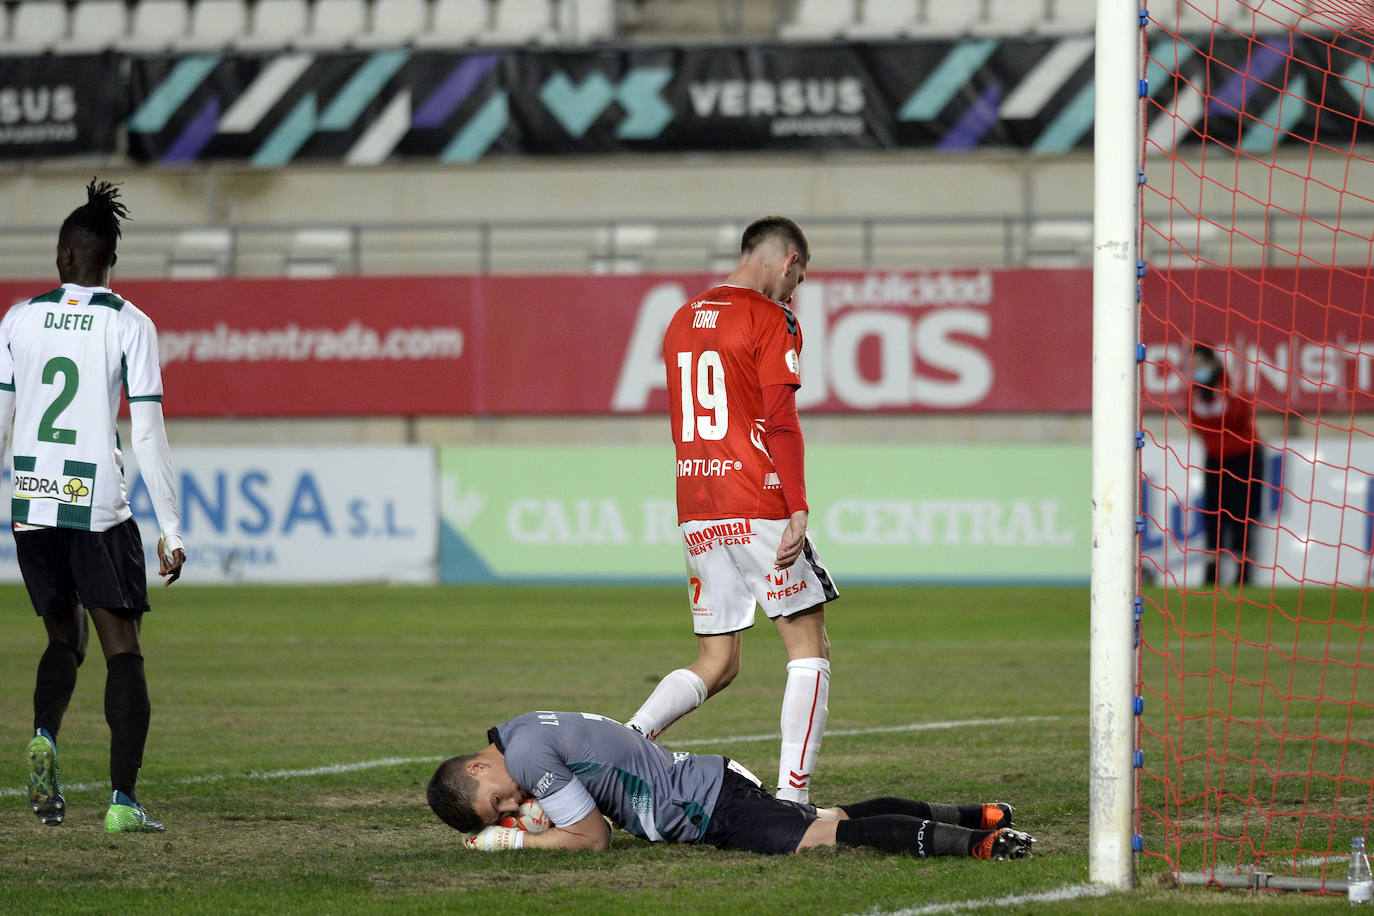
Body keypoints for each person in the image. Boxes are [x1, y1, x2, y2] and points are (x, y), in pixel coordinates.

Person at [627, 216, 837, 805]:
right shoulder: (772, 318)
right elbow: (780, 420)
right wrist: (797, 506)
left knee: (717, 659)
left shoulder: (680, 319)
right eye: (798, 280)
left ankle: (622, 743)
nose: (794, 294)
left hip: (698, 503)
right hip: (757, 498)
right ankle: (792, 799)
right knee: (808, 647)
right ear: (788, 259)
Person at [1, 179, 186, 833]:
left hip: (33, 504)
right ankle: (122, 803)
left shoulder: (18, 318)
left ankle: (46, 735)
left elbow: (1, 419)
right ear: (108, 260)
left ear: (65, 256)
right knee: (122, 648)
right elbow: (147, 433)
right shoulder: (129, 323)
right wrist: (170, 527)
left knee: (63, 637)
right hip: (95, 504)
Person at [427, 710, 1035, 860]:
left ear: (479, 767)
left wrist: (513, 842)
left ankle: (976, 844)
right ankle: (976, 813)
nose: (514, 805)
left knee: (818, 838)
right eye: (502, 814)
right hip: (709, 780)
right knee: (831, 817)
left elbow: (591, 840)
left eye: (498, 802)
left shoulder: (528, 757)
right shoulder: (520, 731)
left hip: (703, 803)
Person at [1188, 343, 1264, 587]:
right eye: (1193, 366)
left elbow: (1239, 416)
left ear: (1213, 364)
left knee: (1242, 515)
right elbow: (1198, 424)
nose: (1196, 370)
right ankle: (1212, 573)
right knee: (1213, 515)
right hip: (1214, 458)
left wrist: (1219, 397)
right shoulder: (1195, 393)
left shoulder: (1232, 388)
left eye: (1200, 365)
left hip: (1244, 456)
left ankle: (1244, 573)